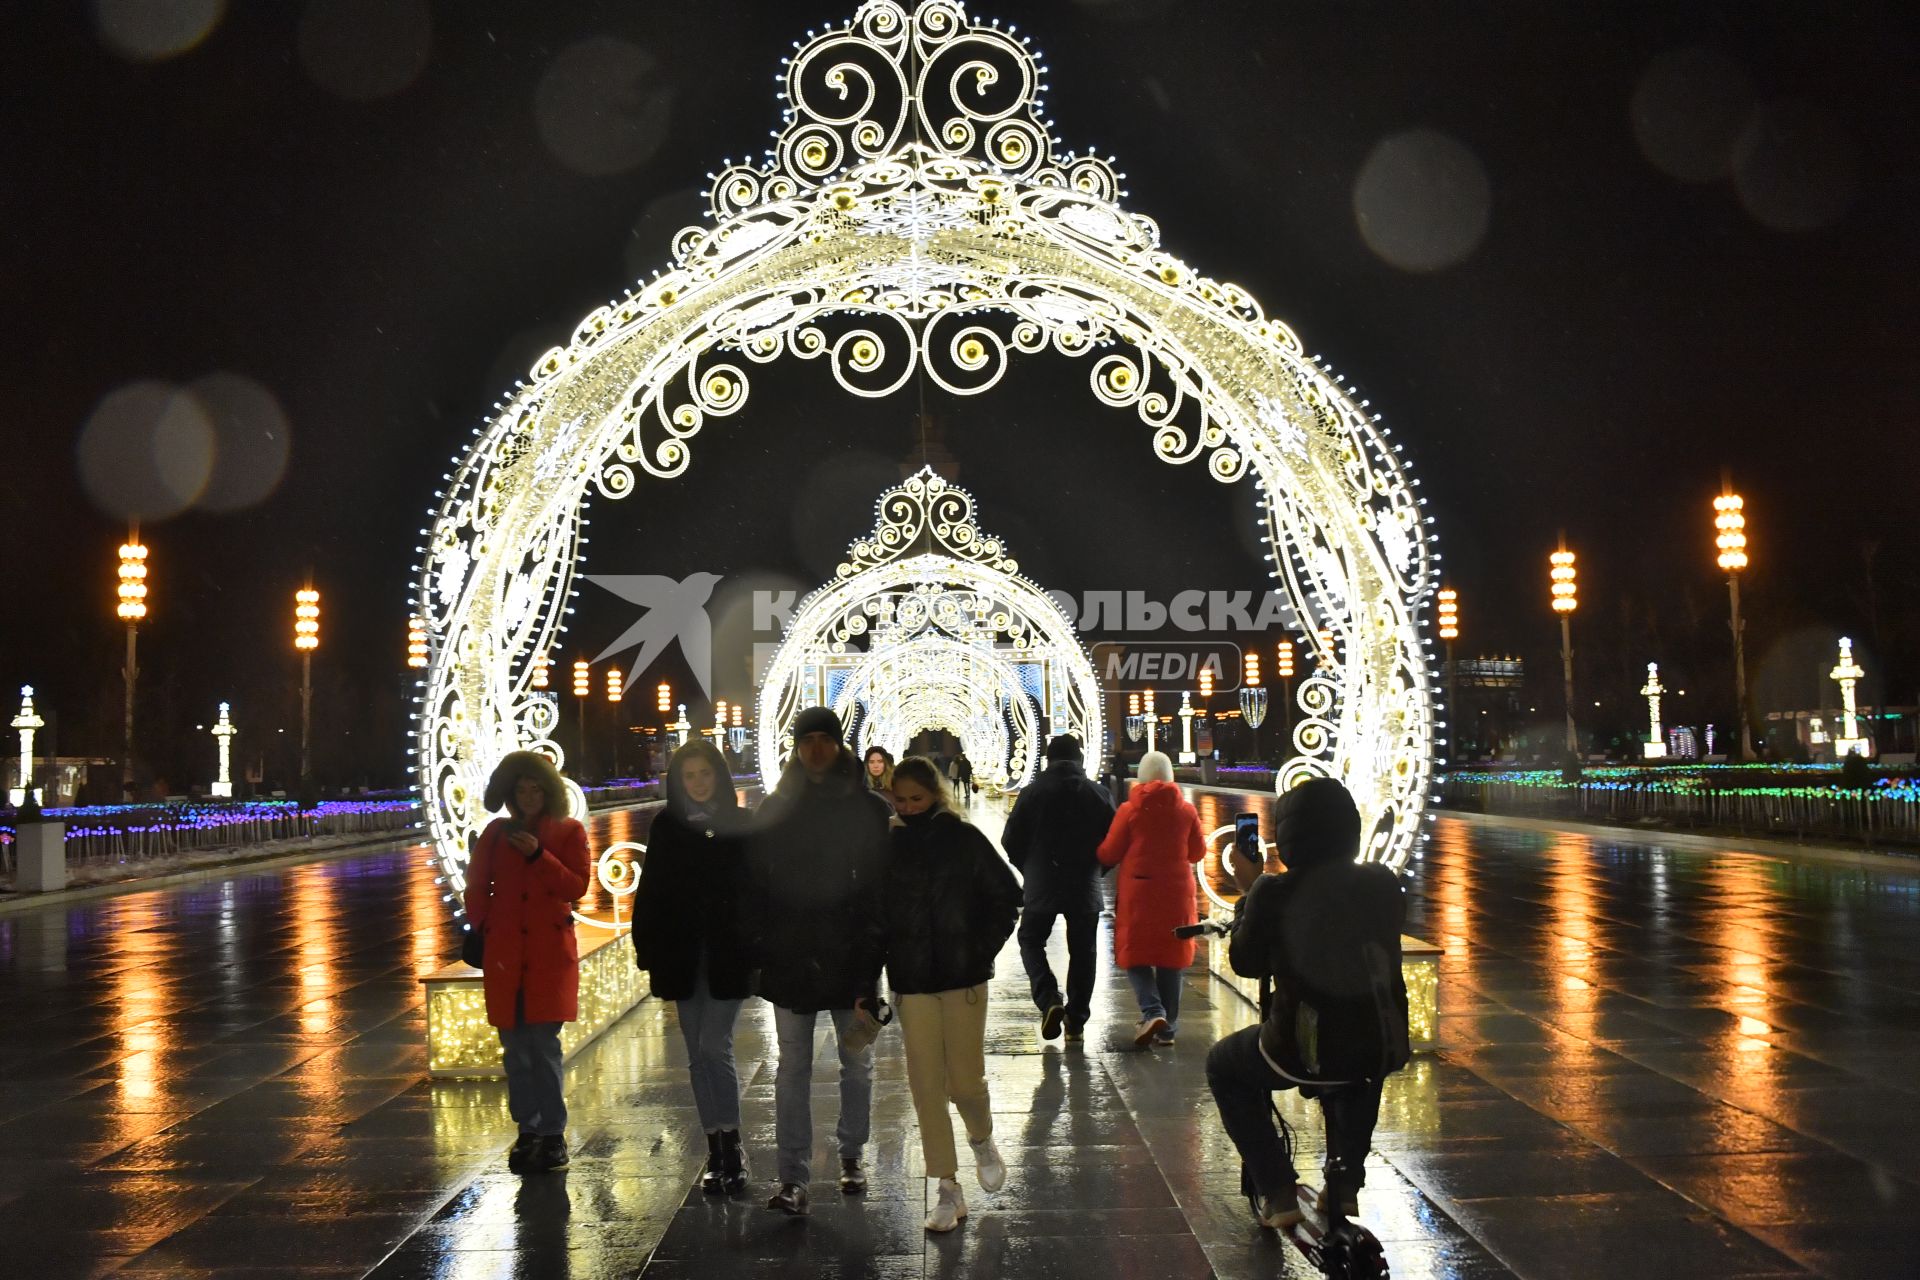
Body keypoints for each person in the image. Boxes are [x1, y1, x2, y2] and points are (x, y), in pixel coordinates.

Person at [1205, 777, 1410, 1229]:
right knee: (1361, 1070)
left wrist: (1250, 891)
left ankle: (1277, 1191)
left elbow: (1246, 961)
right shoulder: (1381, 882)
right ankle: (1345, 1185)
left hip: (1303, 1045)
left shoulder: (1273, 892)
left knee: (1224, 1066)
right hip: (1382, 1034)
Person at [743, 706, 892, 1217]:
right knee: (792, 1069)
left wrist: (871, 962)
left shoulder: (866, 809)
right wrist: (761, 948)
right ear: (797, 747)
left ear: (838, 745)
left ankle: (851, 1153)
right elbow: (757, 885)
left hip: (851, 957)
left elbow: (876, 891)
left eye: (825, 739)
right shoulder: (776, 808)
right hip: (790, 956)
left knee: (856, 1061)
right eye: (807, 740)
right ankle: (792, 1177)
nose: (816, 750)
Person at [880, 756, 1024, 1233]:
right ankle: (947, 1187)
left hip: (963, 980)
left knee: (964, 1082)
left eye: (916, 799)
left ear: (935, 796)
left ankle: (981, 1138)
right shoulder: (888, 845)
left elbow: (1007, 895)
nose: (907, 807)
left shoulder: (963, 840)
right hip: (912, 981)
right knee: (925, 1087)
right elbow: (874, 916)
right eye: (899, 800)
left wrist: (978, 947)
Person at [631, 739, 752, 1196]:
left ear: (718, 777)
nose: (698, 783)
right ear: (678, 782)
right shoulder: (667, 826)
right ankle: (715, 1147)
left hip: (727, 954)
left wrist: (754, 943)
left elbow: (753, 890)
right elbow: (653, 891)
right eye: (689, 776)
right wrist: (647, 946)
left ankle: (735, 1144)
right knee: (696, 1054)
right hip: (682, 954)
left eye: (705, 774)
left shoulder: (739, 823)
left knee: (713, 1044)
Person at [464, 750, 592, 1174]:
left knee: (543, 1047)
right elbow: (477, 886)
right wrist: (484, 925)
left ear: (548, 791)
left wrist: (540, 856)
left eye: (536, 788)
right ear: (510, 794)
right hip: (505, 958)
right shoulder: (495, 835)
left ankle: (553, 1132)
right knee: (515, 1050)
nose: (529, 796)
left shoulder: (569, 831)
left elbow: (576, 887)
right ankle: (528, 1130)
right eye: (521, 789)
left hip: (547, 958)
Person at [1001, 734, 1116, 1042]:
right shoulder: (1099, 794)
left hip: (1043, 881)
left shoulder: (1031, 793)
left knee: (1030, 939)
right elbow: (1115, 843)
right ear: (1079, 759)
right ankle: (1076, 1021)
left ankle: (1049, 998)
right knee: (1084, 950)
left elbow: (1010, 839)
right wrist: (1097, 870)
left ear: (1048, 761)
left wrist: (1031, 868)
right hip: (1084, 885)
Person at [1096, 750, 1205, 1047]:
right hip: (1177, 895)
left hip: (1139, 895)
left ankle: (1152, 1010)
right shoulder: (1186, 811)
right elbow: (1197, 852)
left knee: (1135, 955)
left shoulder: (1130, 810)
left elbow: (1109, 852)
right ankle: (1167, 1028)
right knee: (1172, 957)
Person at [863, 745, 897, 810]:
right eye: (871, 762)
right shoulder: (862, 787)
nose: (876, 766)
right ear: (867, 765)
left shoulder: (895, 785)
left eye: (880, 761)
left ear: (885, 763)